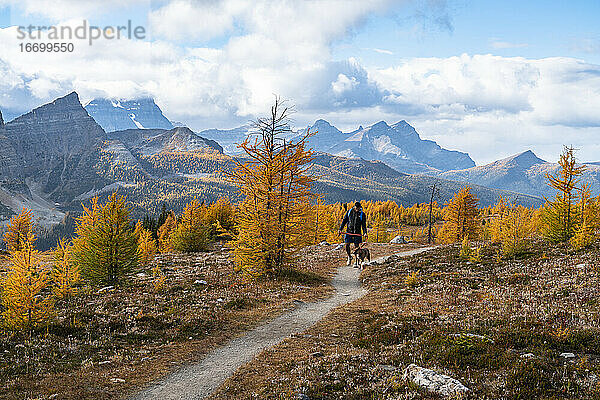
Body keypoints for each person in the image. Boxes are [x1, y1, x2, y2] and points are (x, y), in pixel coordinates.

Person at [338, 202, 368, 266]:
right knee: (347, 245)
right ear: (354, 207)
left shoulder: (362, 214)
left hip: (357, 232)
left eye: (358, 208)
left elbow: (363, 225)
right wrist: (340, 229)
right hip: (349, 231)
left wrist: (365, 232)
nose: (357, 209)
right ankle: (349, 256)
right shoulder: (349, 212)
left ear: (360, 207)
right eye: (356, 208)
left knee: (356, 247)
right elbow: (344, 221)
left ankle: (356, 261)